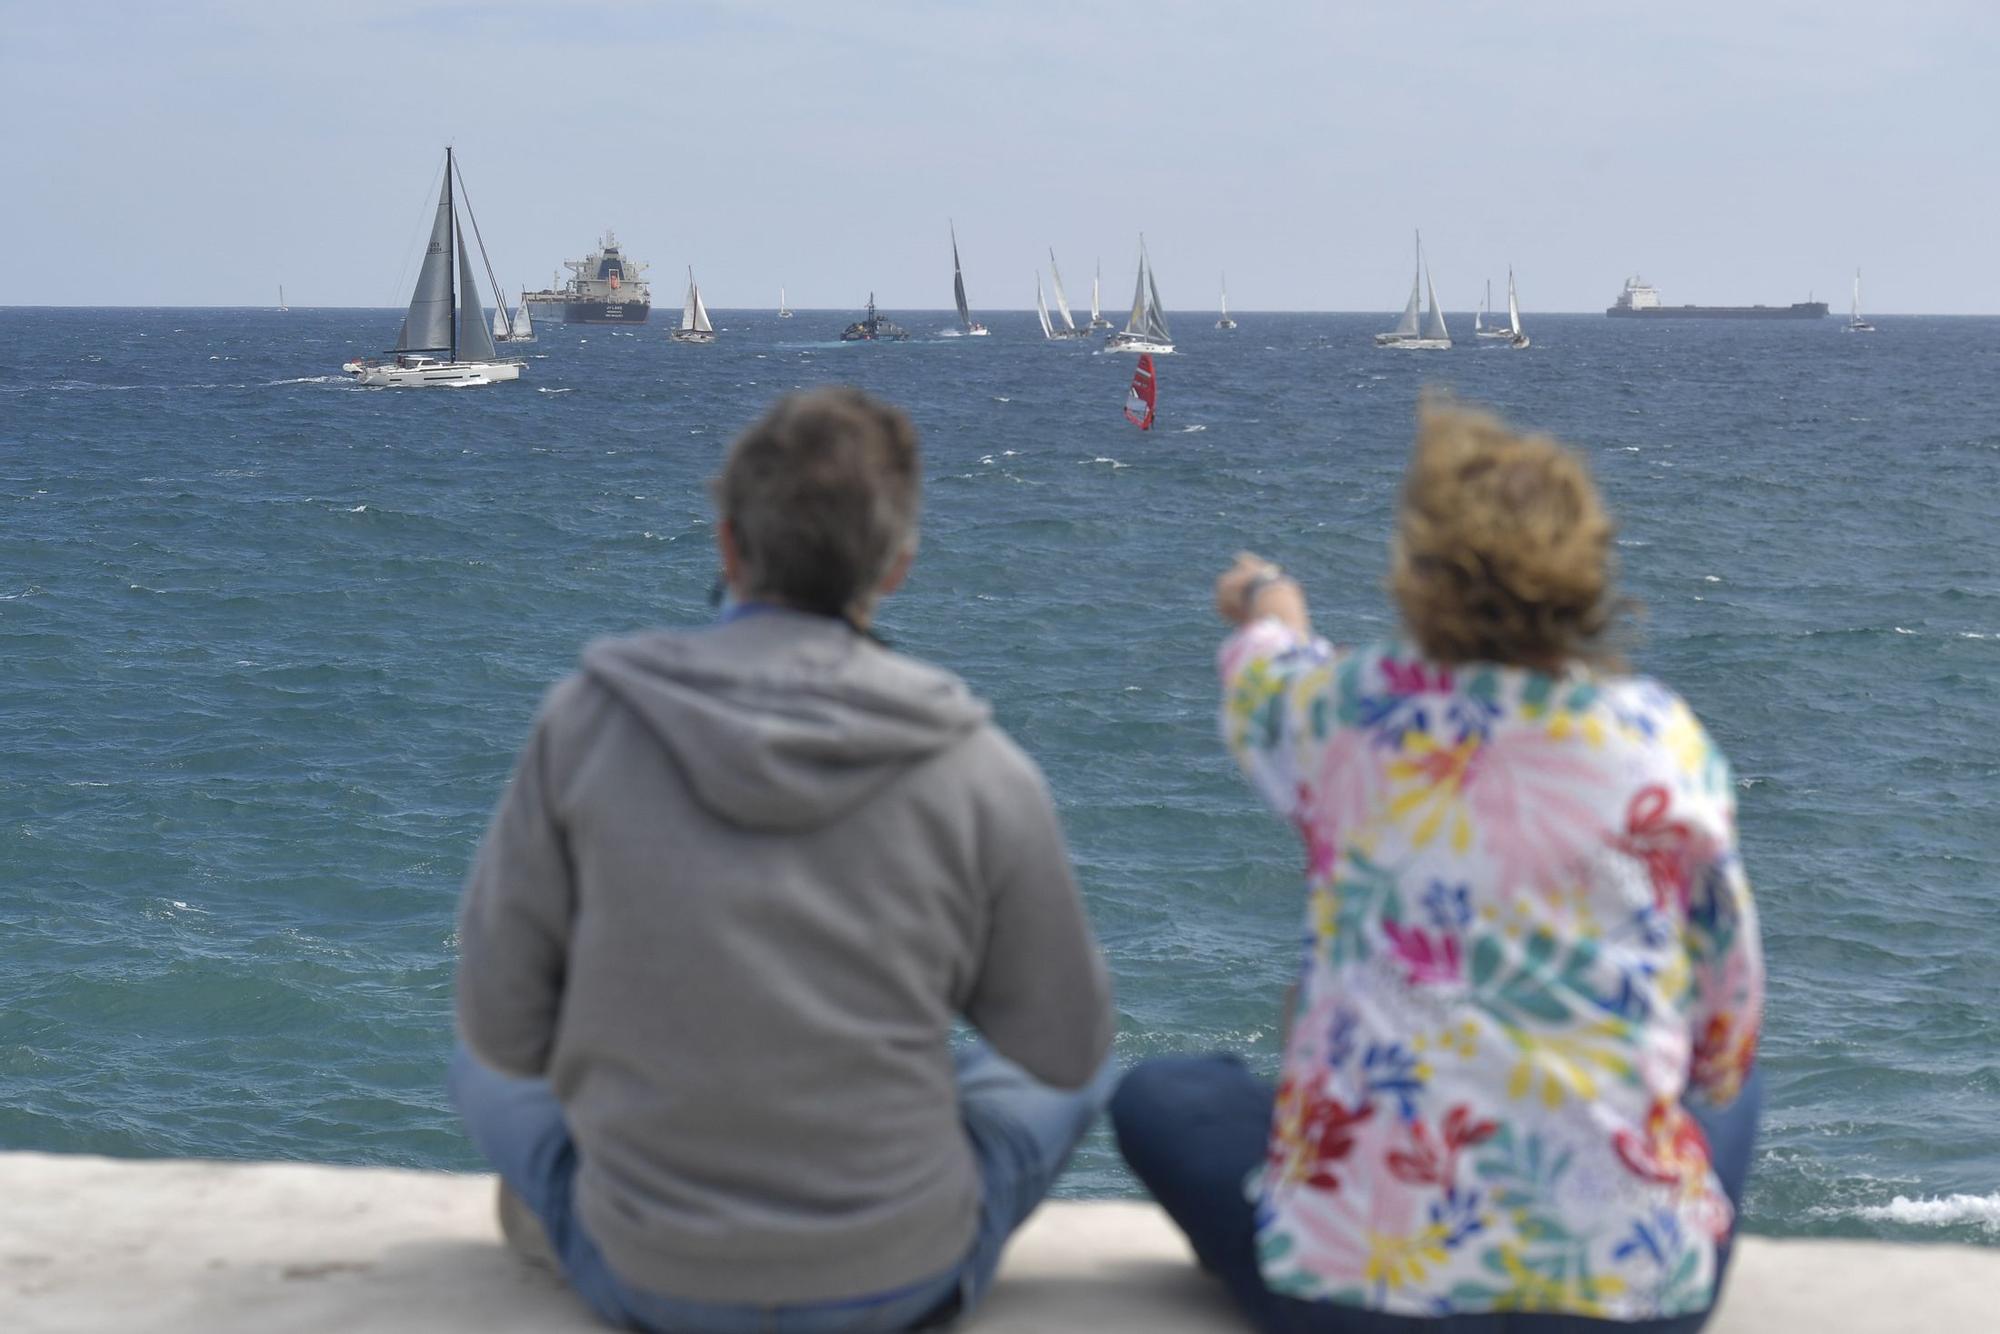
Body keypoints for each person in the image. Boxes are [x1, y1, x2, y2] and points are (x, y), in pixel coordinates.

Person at [450, 386, 1117, 1333]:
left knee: (479, 1073)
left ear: (727, 545)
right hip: (896, 1276)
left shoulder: (585, 725)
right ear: (897, 569)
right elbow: (1066, 1047)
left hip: (652, 1273)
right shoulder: (978, 765)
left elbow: (501, 1029)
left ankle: (576, 1203)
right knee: (1063, 1077)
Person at [1111, 400, 1763, 1333]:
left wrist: (1267, 602)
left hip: (1356, 1299)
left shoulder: (1346, 717)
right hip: (1624, 1303)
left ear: (1421, 574)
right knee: (1733, 1092)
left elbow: (1262, 675)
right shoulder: (1661, 740)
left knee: (1161, 1096)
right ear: (1585, 576)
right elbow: (1726, 1039)